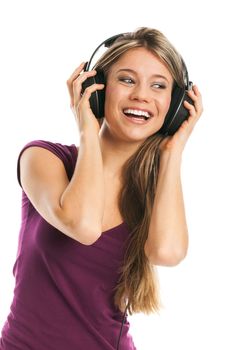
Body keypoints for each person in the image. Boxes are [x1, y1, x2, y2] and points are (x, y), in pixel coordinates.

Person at [0, 27, 203, 350]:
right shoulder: (43, 159)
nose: (141, 95)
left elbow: (167, 252)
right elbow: (82, 224)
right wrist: (87, 129)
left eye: (159, 86)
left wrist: (173, 151)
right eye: (126, 79)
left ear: (175, 104)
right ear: (97, 88)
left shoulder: (154, 193)